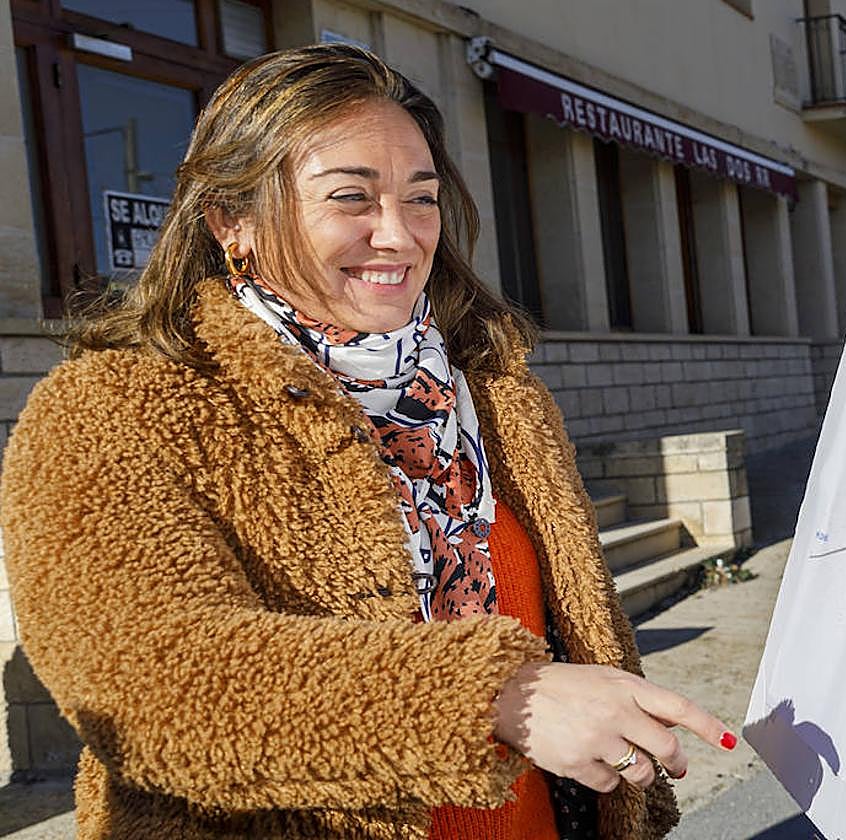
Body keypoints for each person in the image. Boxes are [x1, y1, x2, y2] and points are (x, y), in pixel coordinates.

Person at [0, 44, 736, 840]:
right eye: (351, 197)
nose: (399, 235)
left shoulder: (495, 393)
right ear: (230, 221)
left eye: (420, 198)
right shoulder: (115, 407)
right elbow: (143, 686)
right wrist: (493, 698)